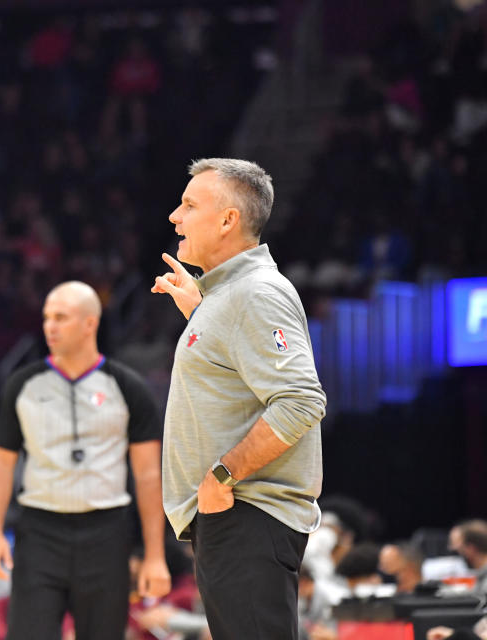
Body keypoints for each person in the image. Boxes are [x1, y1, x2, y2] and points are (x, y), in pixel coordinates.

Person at [152, 158, 326, 640]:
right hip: (232, 517)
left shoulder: (256, 293)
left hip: (247, 511)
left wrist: (222, 475)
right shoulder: (228, 298)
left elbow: (301, 401)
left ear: (228, 220)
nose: (174, 217)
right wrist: (202, 312)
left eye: (189, 205)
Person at [0, 280, 171, 640]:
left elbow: (148, 475)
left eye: (61, 317)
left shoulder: (127, 387)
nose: (50, 326)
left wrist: (154, 554)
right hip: (39, 531)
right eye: (47, 318)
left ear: (90, 323)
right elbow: (0, 465)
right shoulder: (23, 384)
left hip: (107, 532)